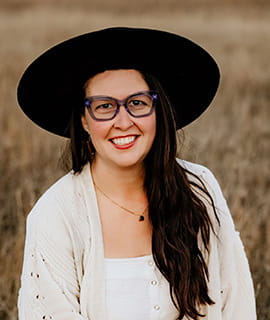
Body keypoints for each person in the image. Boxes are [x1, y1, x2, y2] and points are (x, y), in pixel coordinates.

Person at [17, 27, 256, 320]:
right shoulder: (56, 214)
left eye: (137, 103)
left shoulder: (199, 187)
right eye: (104, 107)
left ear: (158, 111)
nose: (123, 121)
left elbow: (236, 300)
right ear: (83, 121)